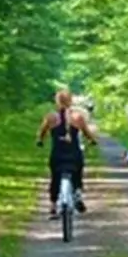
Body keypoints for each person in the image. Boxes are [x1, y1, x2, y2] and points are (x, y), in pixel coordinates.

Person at [36, 90, 98, 218]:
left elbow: (41, 133)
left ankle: (53, 206)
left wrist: (40, 141)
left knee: (55, 178)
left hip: (57, 155)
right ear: (70, 101)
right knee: (78, 173)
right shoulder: (78, 117)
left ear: (57, 101)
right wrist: (92, 140)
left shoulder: (50, 117)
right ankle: (77, 193)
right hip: (74, 155)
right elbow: (87, 133)